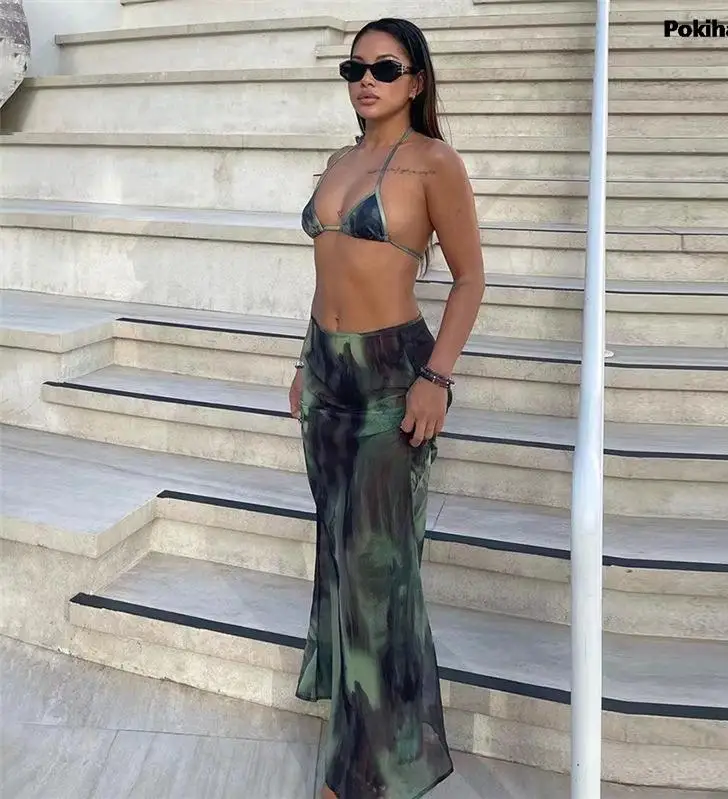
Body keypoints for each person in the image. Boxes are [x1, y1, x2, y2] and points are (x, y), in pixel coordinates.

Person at [289, 16, 485, 799]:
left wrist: (437, 376)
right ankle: (358, 739)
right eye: (354, 68)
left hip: (391, 378)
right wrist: (303, 361)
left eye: (384, 67)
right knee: (341, 566)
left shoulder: (434, 162)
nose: (365, 79)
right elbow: (327, 273)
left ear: (416, 81)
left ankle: (363, 775)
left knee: (377, 574)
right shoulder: (339, 162)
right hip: (326, 376)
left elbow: (470, 278)